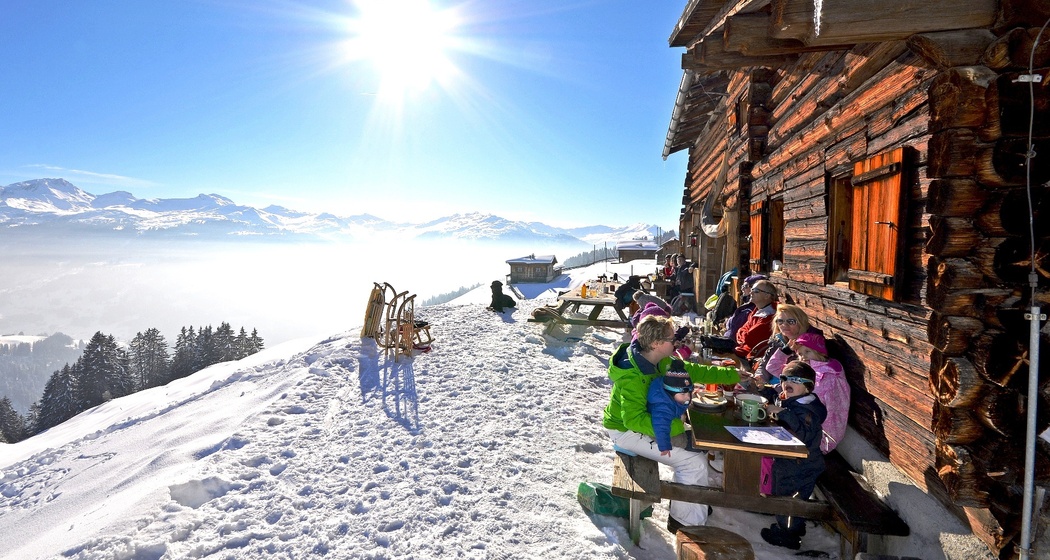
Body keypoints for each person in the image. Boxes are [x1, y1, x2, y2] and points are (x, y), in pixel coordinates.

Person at [603, 314, 741, 531]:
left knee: (696, 447)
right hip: (626, 431)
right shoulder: (633, 375)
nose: (675, 342)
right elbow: (633, 419)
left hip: (650, 422)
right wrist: (676, 432)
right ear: (657, 344)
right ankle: (686, 523)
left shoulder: (660, 360)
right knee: (692, 461)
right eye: (671, 339)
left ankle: (692, 502)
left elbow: (693, 371)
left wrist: (733, 376)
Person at [760, 361, 827, 550]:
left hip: (801, 465)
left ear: (808, 387)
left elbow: (803, 434)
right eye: (784, 378)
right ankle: (794, 526)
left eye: (795, 380)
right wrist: (761, 390)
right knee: (788, 494)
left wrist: (783, 413)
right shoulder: (795, 400)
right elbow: (778, 397)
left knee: (790, 499)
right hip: (791, 461)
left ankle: (788, 535)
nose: (787, 383)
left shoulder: (809, 411)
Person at [793, 332, 850, 454]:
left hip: (821, 435)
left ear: (819, 352)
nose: (803, 357)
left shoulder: (828, 376)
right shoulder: (811, 370)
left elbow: (831, 410)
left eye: (807, 352)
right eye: (800, 354)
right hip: (809, 425)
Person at [646, 367, 693, 456]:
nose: (688, 397)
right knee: (691, 442)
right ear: (671, 393)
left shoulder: (671, 397)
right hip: (659, 435)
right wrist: (665, 446)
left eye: (689, 393)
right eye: (683, 394)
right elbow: (661, 426)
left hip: (669, 424)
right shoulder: (663, 407)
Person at [731, 279, 778, 362]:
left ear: (767, 296)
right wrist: (743, 334)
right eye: (752, 289)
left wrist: (743, 334)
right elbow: (740, 331)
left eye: (756, 291)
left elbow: (748, 338)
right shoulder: (756, 311)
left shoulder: (770, 316)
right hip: (743, 351)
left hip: (751, 358)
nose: (751, 293)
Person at [722, 274, 767, 340]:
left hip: (735, 343)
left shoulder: (753, 309)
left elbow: (739, 327)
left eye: (746, 286)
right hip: (729, 339)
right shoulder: (747, 306)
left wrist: (728, 323)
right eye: (742, 286)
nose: (742, 288)